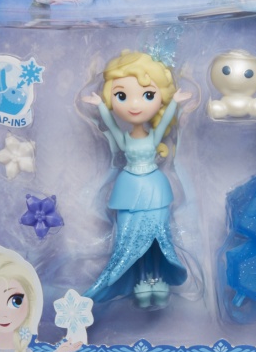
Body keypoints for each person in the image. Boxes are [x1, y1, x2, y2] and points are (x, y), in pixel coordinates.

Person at [81, 51, 190, 308]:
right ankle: (140, 280)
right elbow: (111, 125)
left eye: (148, 95)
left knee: (158, 238)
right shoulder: (124, 139)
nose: (134, 105)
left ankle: (158, 279)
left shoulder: (153, 136)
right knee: (129, 240)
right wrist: (99, 105)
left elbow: (164, 123)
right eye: (121, 96)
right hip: (129, 189)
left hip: (154, 188)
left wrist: (175, 102)